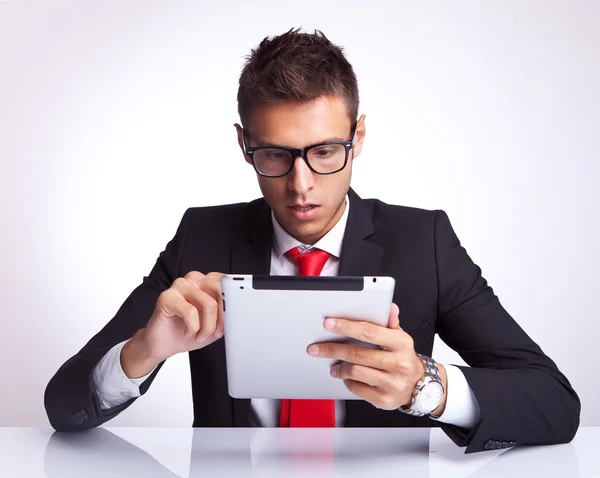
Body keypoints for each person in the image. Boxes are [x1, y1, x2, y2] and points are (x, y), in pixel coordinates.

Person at [44, 28, 580, 453]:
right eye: (275, 154)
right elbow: (63, 407)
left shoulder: (425, 242)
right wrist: (144, 351)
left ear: (359, 137)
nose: (301, 185)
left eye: (325, 151)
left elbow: (555, 403)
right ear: (244, 144)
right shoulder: (201, 237)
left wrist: (426, 387)